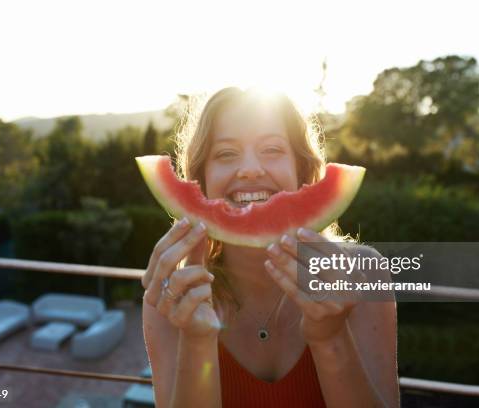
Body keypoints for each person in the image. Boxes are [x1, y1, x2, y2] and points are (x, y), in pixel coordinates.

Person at [142, 87, 399, 407]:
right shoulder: (170, 298)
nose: (250, 168)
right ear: (202, 179)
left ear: (301, 172)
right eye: (225, 153)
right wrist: (196, 341)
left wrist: (331, 337)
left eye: (272, 149)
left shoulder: (363, 274)